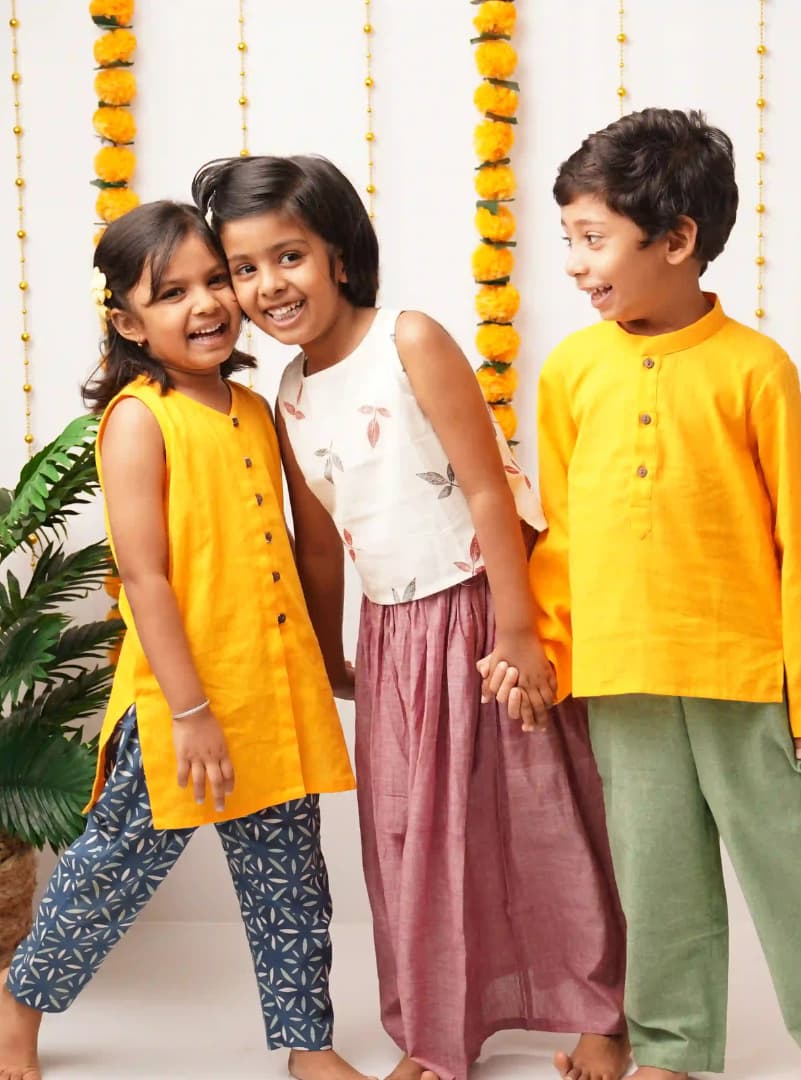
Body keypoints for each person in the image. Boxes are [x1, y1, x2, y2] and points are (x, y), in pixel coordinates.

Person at [191, 155, 628, 1080]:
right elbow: (319, 545)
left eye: (290, 256)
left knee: (545, 815)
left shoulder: (411, 339)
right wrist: (329, 655)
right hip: (393, 639)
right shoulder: (290, 398)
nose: (268, 285)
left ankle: (601, 1012)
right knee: (412, 842)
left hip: (483, 608)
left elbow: (485, 489)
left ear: (340, 255)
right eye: (244, 269)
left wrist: (519, 634)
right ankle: (439, 1033)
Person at [491, 108, 801, 1080]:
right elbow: (564, 535)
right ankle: (669, 1047)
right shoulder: (573, 369)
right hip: (625, 672)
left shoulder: (757, 370)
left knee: (797, 873)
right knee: (657, 880)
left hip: (745, 672)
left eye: (595, 240)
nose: (579, 265)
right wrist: (547, 648)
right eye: (570, 242)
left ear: (676, 240)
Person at [0, 201, 371, 1080]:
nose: (205, 303)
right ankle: (17, 1010)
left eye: (215, 280)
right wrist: (193, 710)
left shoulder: (253, 407)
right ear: (128, 322)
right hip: (182, 706)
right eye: (171, 293)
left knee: (291, 886)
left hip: (271, 697)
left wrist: (327, 655)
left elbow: (291, 548)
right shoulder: (140, 418)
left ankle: (308, 1048)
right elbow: (147, 577)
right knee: (107, 876)